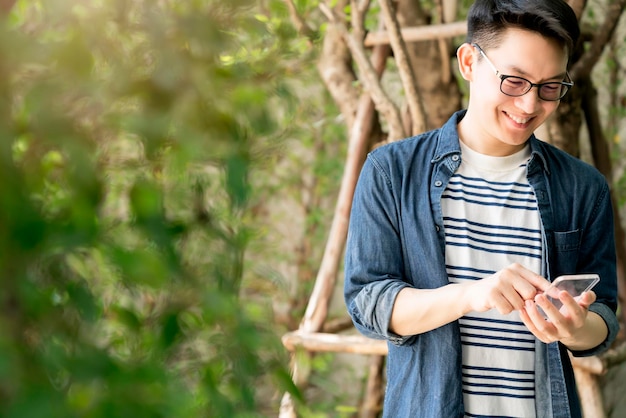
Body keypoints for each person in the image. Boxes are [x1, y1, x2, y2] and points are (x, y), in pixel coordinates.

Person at [343, 0, 620, 417]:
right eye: (514, 81)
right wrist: (472, 294)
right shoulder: (392, 172)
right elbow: (369, 304)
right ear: (469, 61)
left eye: (549, 88)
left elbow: (604, 318)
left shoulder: (583, 188)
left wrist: (577, 328)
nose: (529, 106)